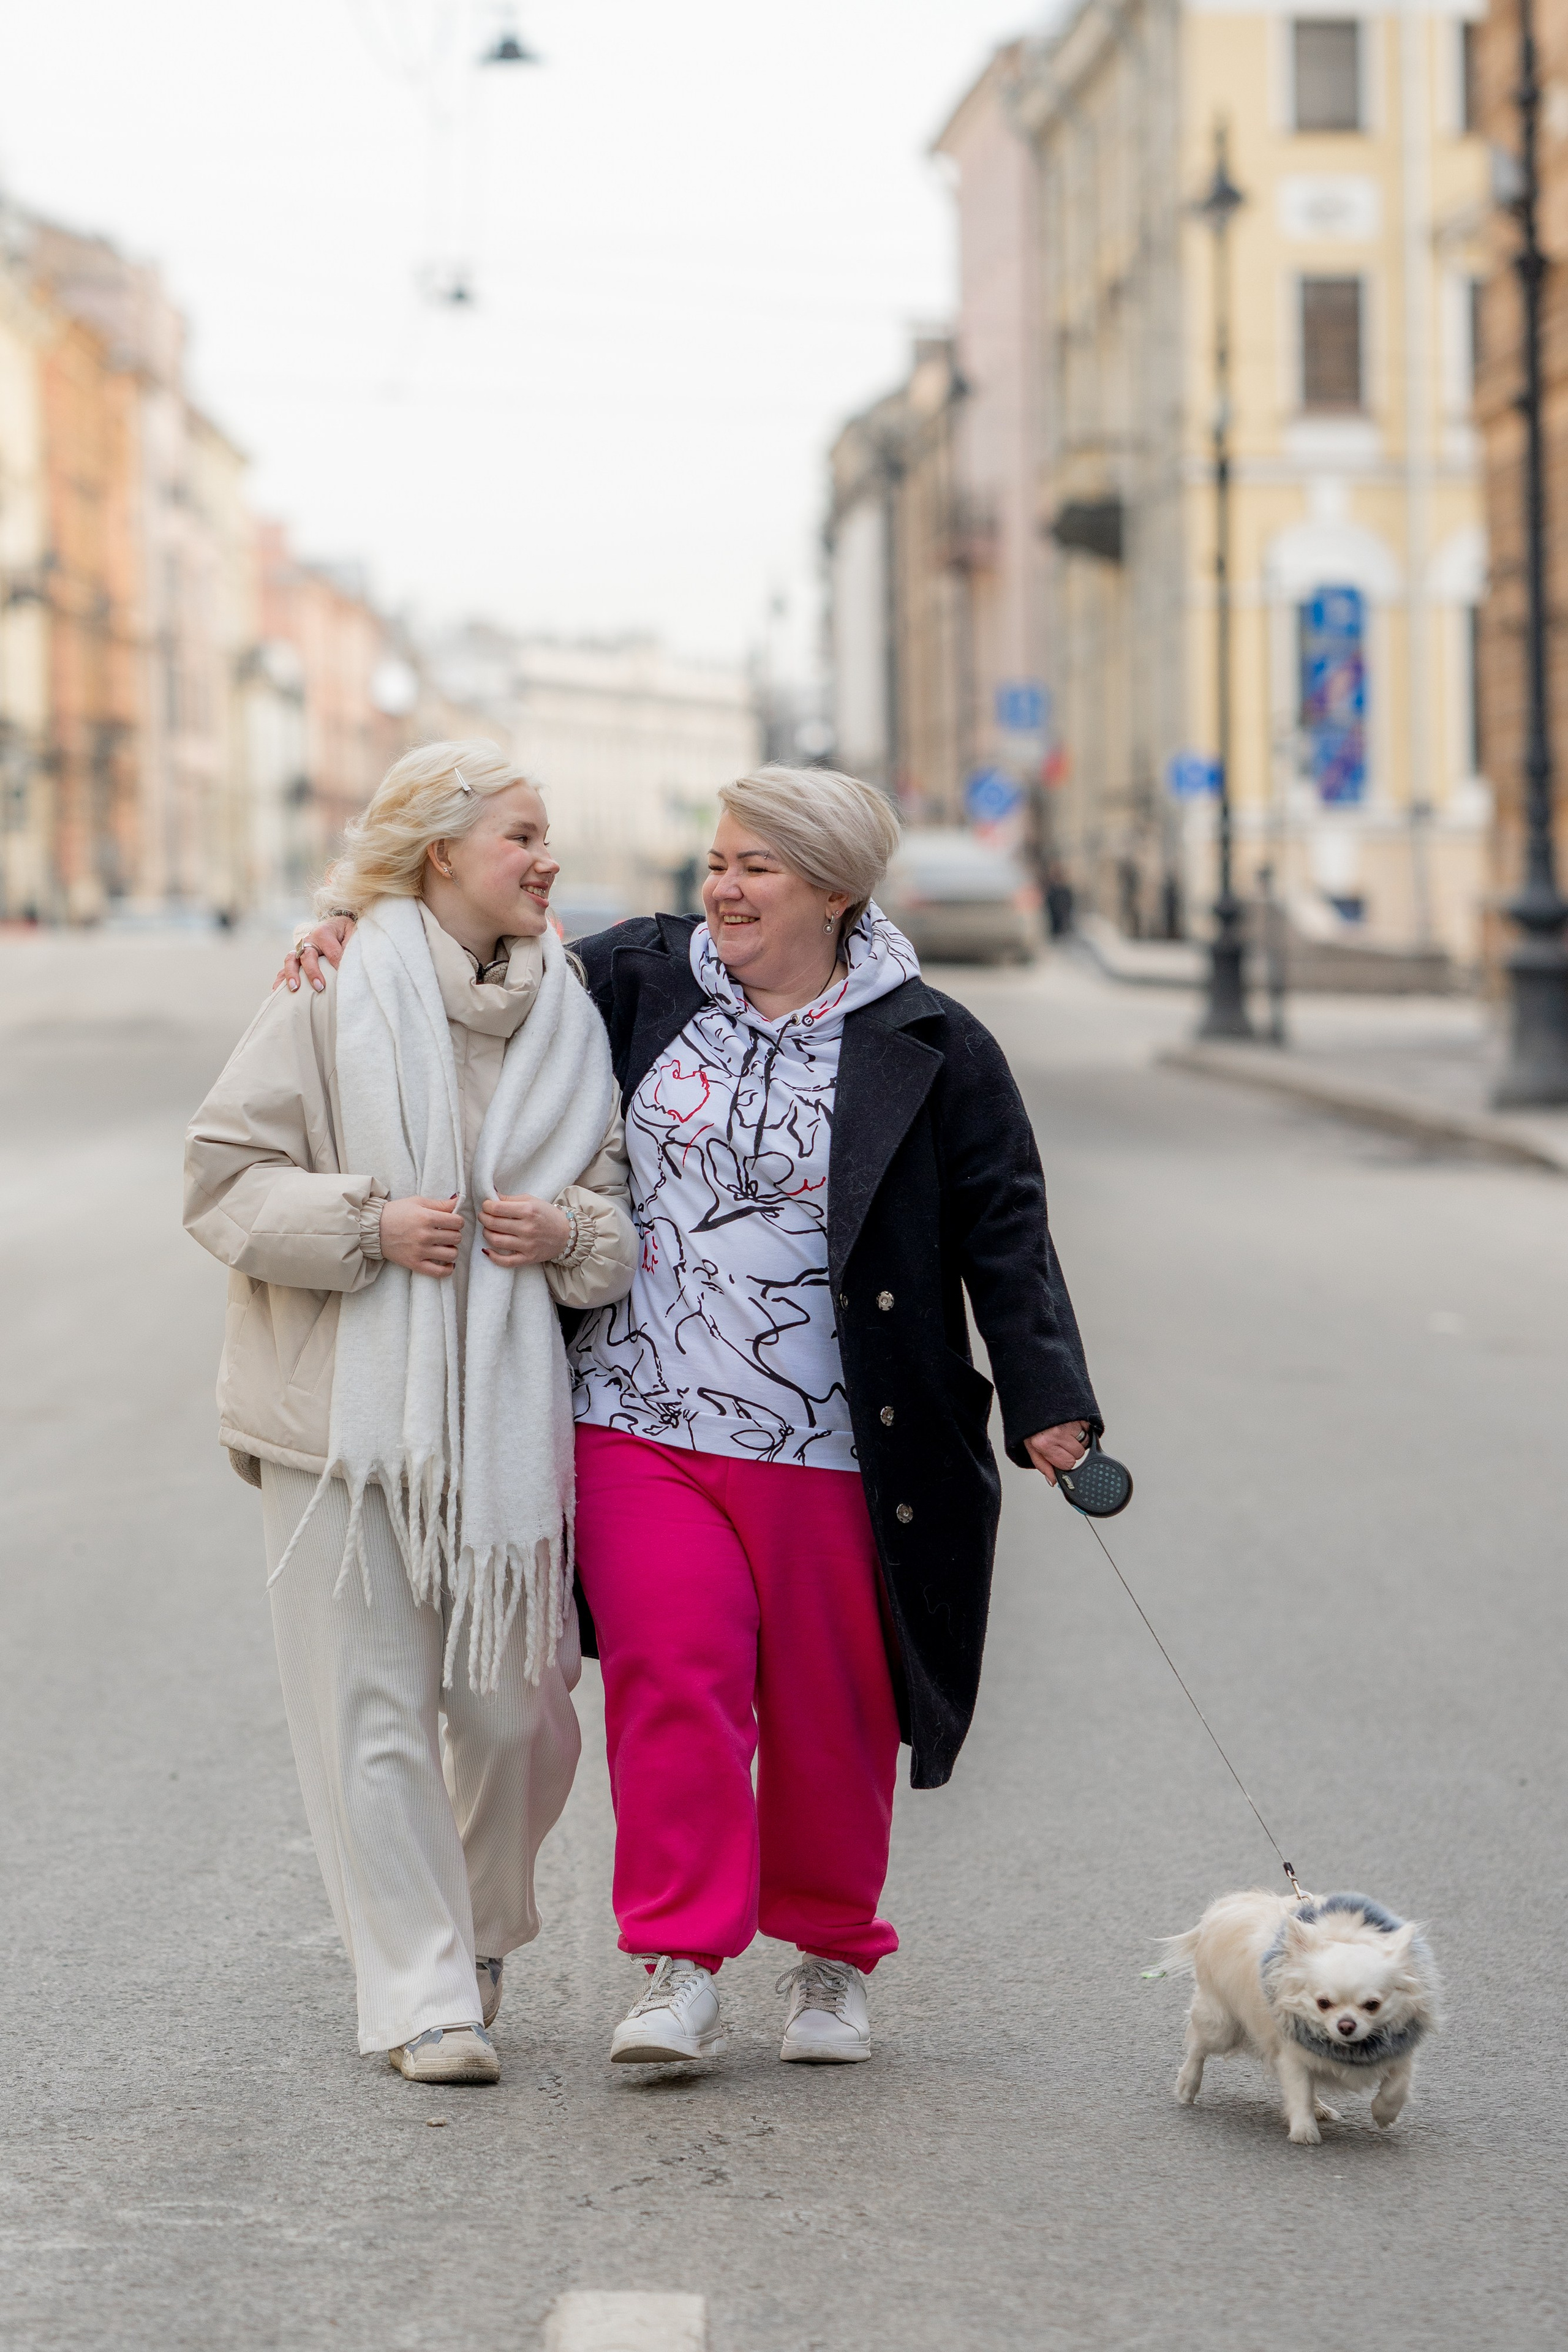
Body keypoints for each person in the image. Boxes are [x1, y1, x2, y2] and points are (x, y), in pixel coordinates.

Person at [285, 763, 1101, 2073]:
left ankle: (831, 1957)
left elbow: (1004, 1227)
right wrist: (348, 928)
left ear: (832, 892)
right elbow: (471, 972)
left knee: (832, 1707)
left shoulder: (933, 1042)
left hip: (844, 1442)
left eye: (754, 868)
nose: (722, 888)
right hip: (639, 1415)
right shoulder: (633, 978)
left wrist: (1050, 1401)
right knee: (674, 1678)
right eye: (717, 862)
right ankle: (678, 1963)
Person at [186, 742, 636, 2085]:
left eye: (546, 835)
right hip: (338, 1417)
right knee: (369, 1707)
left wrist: (568, 1234)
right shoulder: (328, 990)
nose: (546, 859)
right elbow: (221, 1179)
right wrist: (366, 1225)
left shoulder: (571, 1006)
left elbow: (614, 1222)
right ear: (441, 852)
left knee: (519, 1714)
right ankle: (421, 1993)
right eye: (521, 835)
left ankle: (479, 1931)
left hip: (504, 1418)